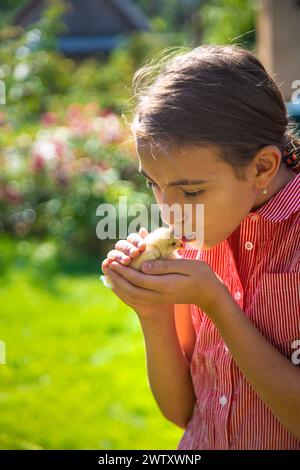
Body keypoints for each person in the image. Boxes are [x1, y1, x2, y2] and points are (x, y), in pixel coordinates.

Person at [101, 45, 300, 449]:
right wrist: (154, 313)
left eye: (190, 191)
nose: (170, 213)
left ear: (262, 167)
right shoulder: (198, 239)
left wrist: (216, 302)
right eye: (153, 184)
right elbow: (184, 412)